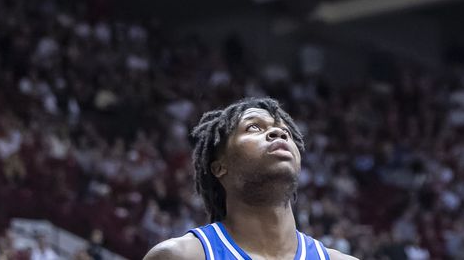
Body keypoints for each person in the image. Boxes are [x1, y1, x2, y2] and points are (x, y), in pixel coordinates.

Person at [140, 98, 357, 260]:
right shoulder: (180, 256)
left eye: (285, 132)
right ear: (219, 167)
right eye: (254, 127)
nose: (278, 134)